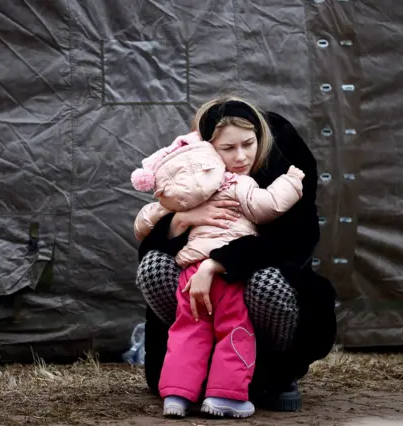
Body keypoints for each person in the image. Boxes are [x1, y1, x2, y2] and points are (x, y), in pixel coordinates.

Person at [135, 94, 337, 412]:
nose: (240, 156)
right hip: (197, 291)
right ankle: (187, 374)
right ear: (207, 149)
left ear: (259, 138)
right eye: (228, 148)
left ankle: (272, 375)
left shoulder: (282, 166)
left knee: (267, 284)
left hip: (254, 276)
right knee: (154, 267)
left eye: (248, 144)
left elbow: (295, 240)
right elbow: (147, 235)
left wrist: (218, 263)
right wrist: (180, 221)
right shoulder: (196, 174)